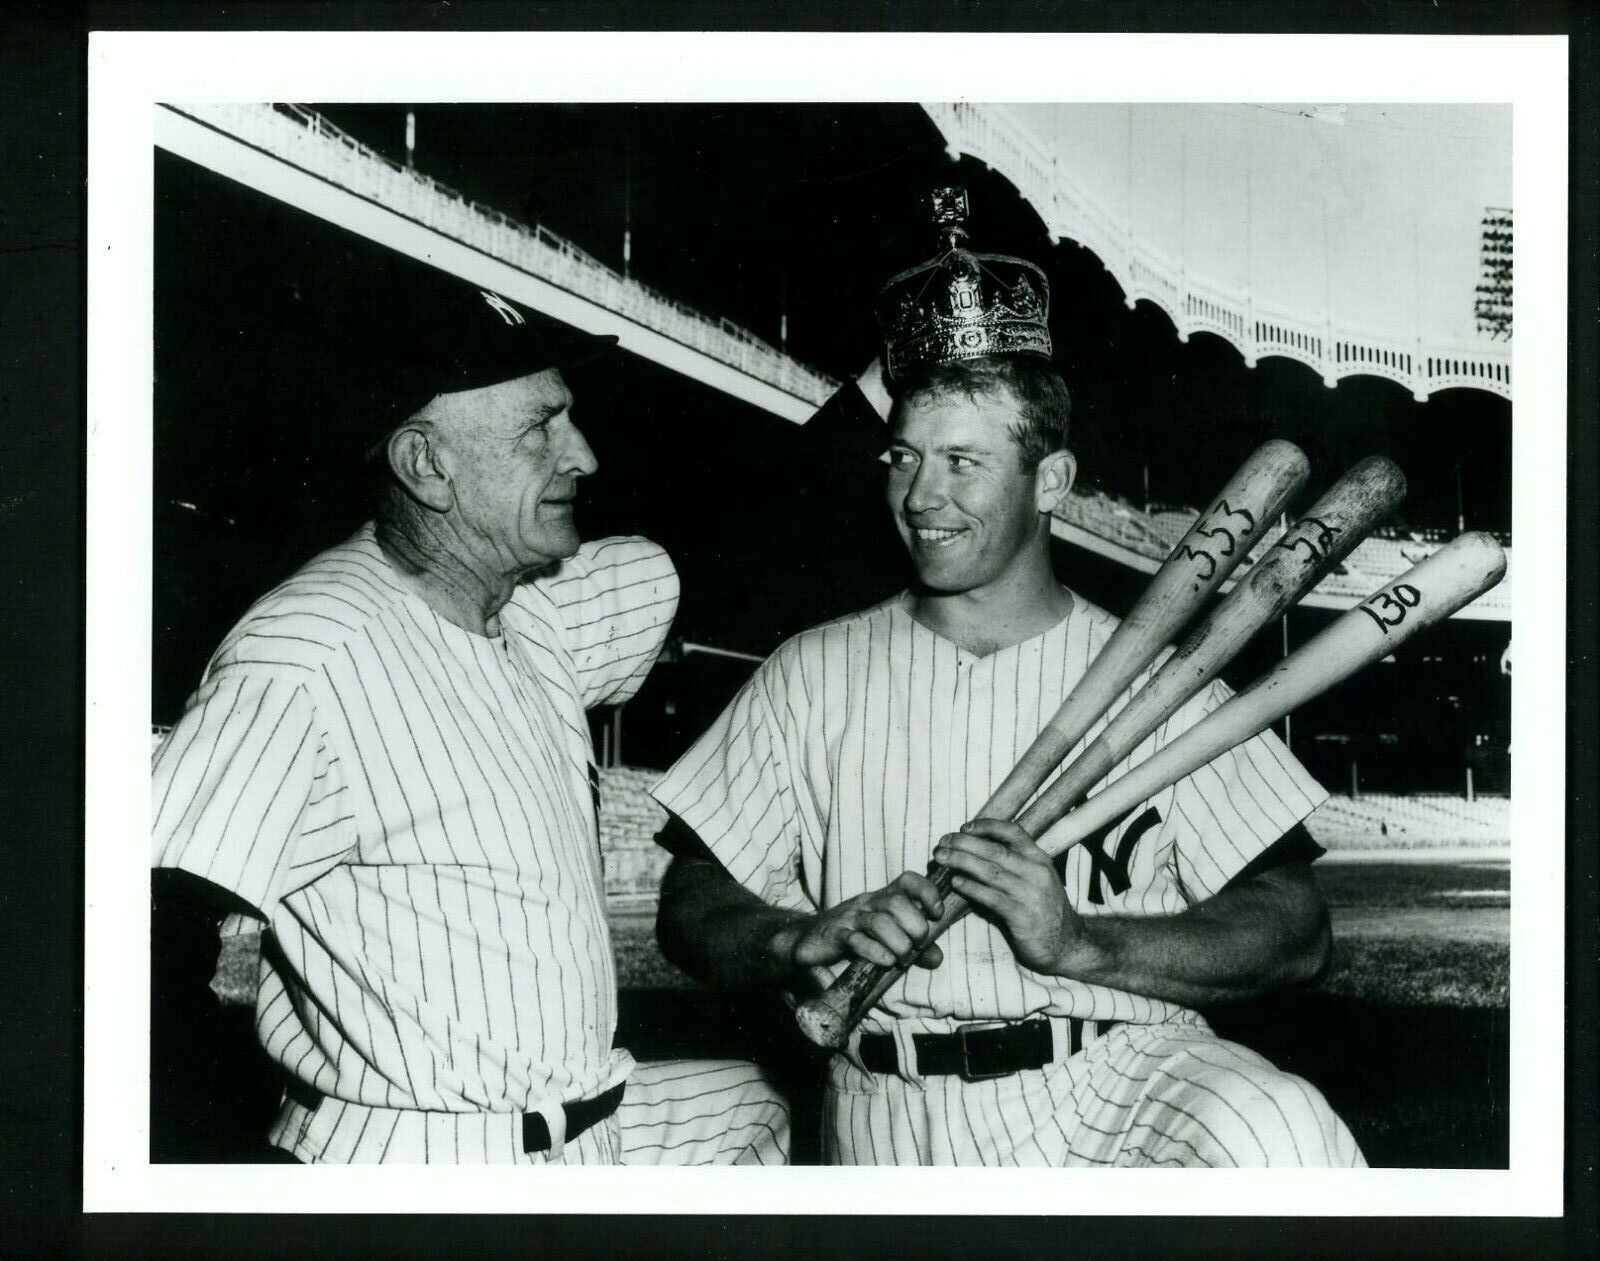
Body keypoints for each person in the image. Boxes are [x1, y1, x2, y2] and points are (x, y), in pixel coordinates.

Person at [651, 188, 1363, 1167]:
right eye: (903, 456)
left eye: (962, 462)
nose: (919, 495)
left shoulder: (1164, 683)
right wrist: (795, 938)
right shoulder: (806, 674)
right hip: (882, 1101)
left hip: (1116, 1075)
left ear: (1052, 483)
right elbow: (690, 899)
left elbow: (1295, 929)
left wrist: (1081, 943)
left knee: (1270, 1130)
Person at [152, 270, 789, 1165]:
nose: (584, 455)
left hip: (577, 1133)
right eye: (540, 428)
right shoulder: (303, 658)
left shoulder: (532, 605)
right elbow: (123, 923)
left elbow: (775, 532)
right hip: (416, 1170)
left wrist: (885, 387)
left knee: (756, 1107)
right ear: (426, 464)